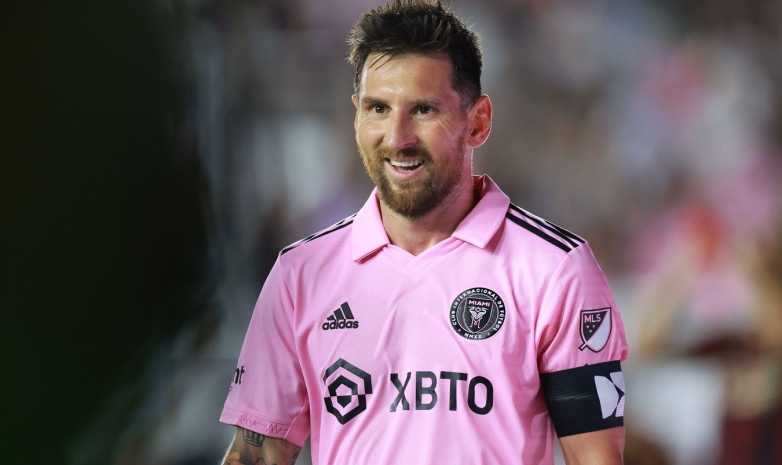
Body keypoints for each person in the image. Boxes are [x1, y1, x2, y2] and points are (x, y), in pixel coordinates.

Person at [219, 1, 628, 463]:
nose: (398, 137)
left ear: (478, 122)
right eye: (378, 108)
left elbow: (595, 458)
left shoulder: (555, 269)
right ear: (357, 117)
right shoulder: (300, 275)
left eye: (423, 110)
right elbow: (255, 455)